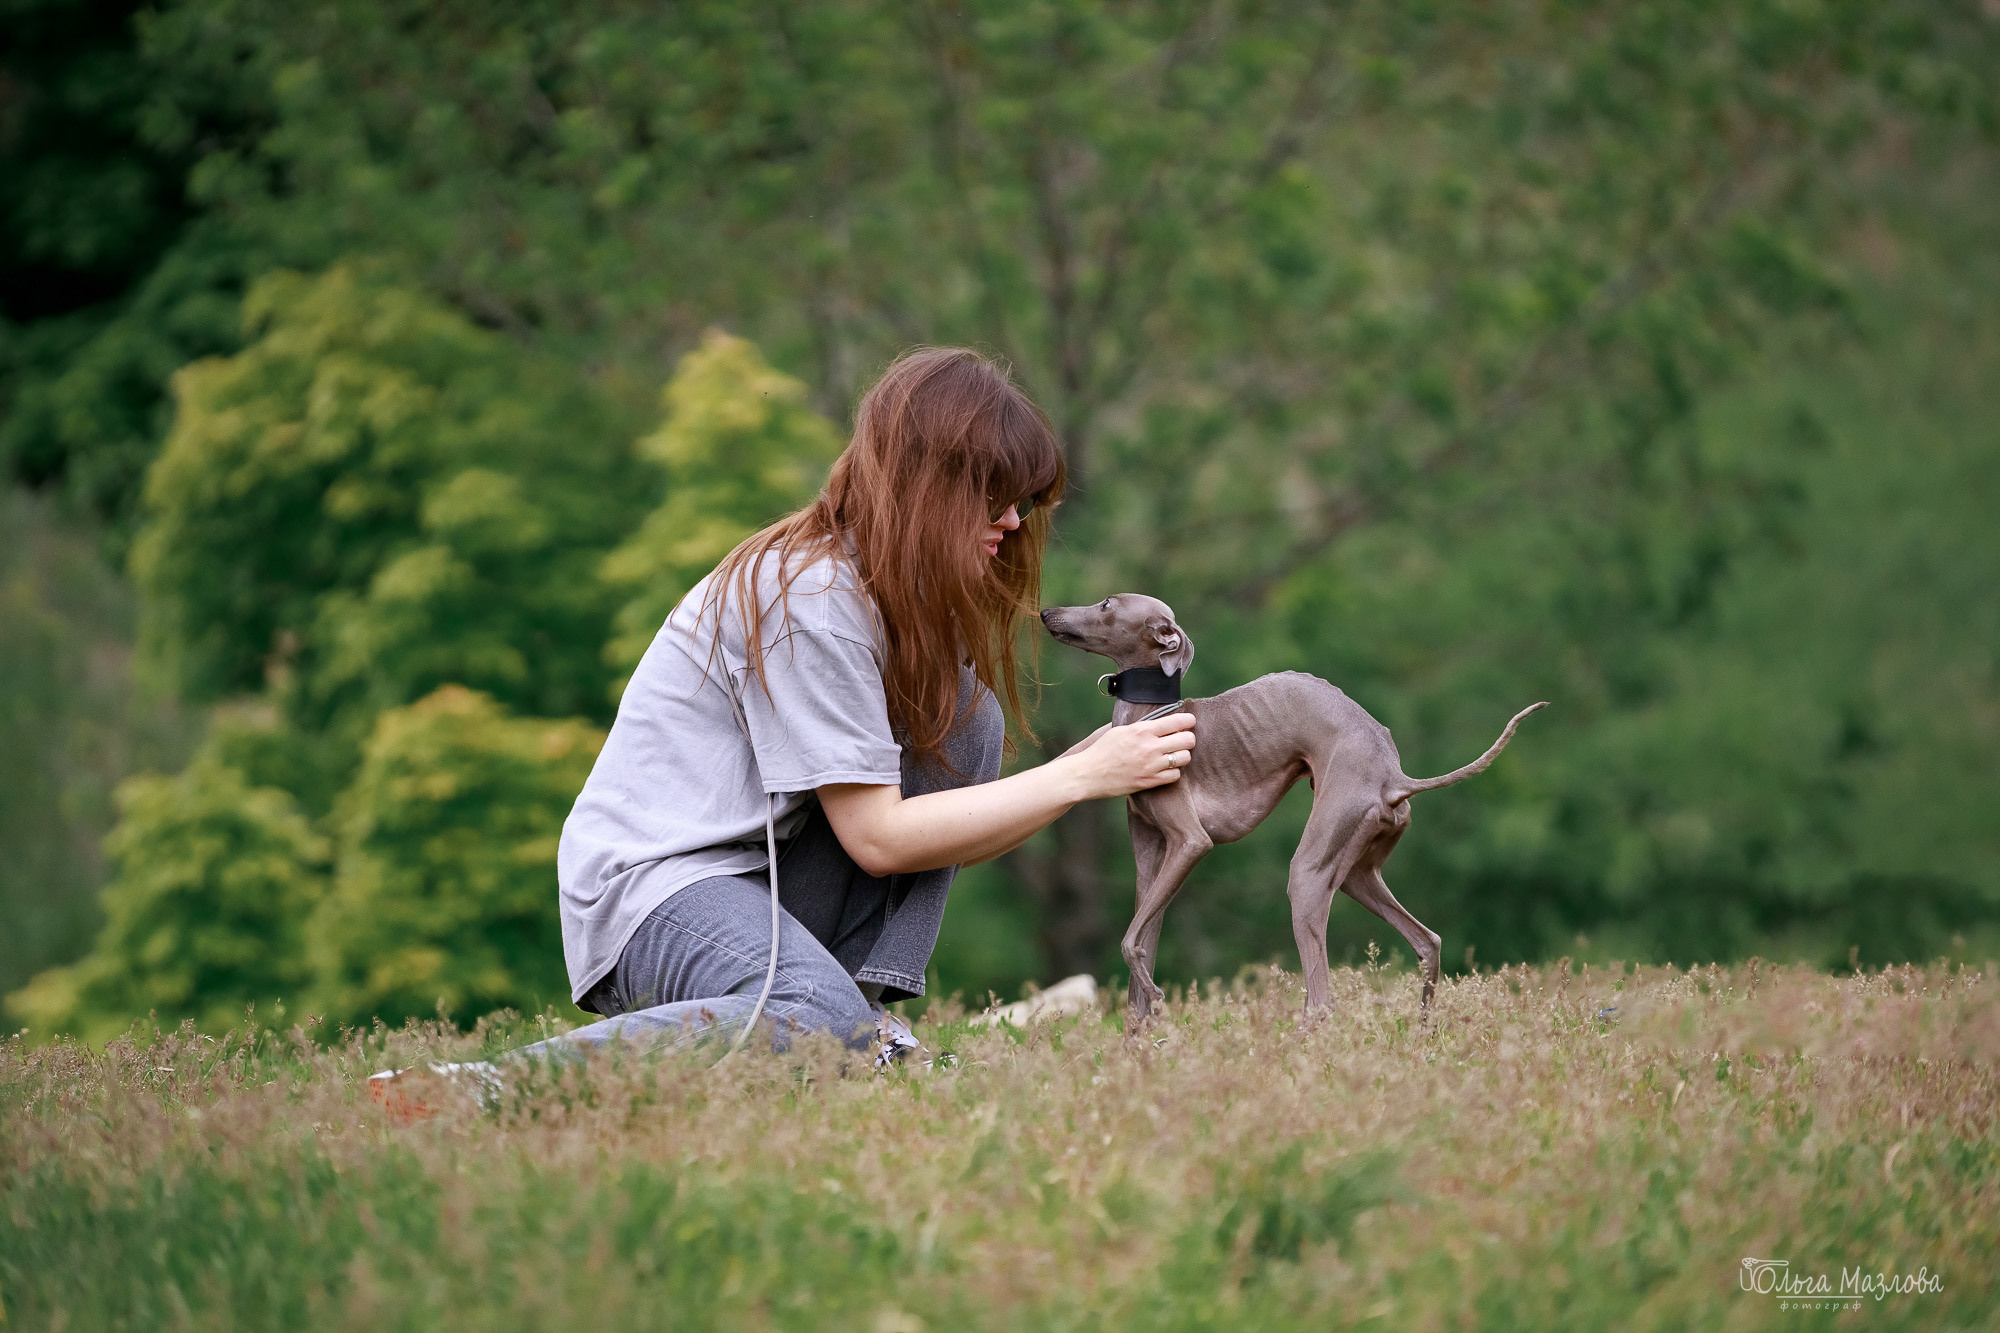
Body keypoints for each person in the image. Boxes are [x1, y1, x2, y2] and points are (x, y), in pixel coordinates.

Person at [379, 347, 1197, 1099]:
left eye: (1023, 500)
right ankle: (478, 1089)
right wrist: (1081, 773)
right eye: (995, 495)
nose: (1015, 521)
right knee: (811, 1020)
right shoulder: (813, 602)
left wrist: (1084, 767)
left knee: (964, 716)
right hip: (653, 886)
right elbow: (879, 838)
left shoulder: (888, 607)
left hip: (758, 878)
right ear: (929, 484)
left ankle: (856, 1024)